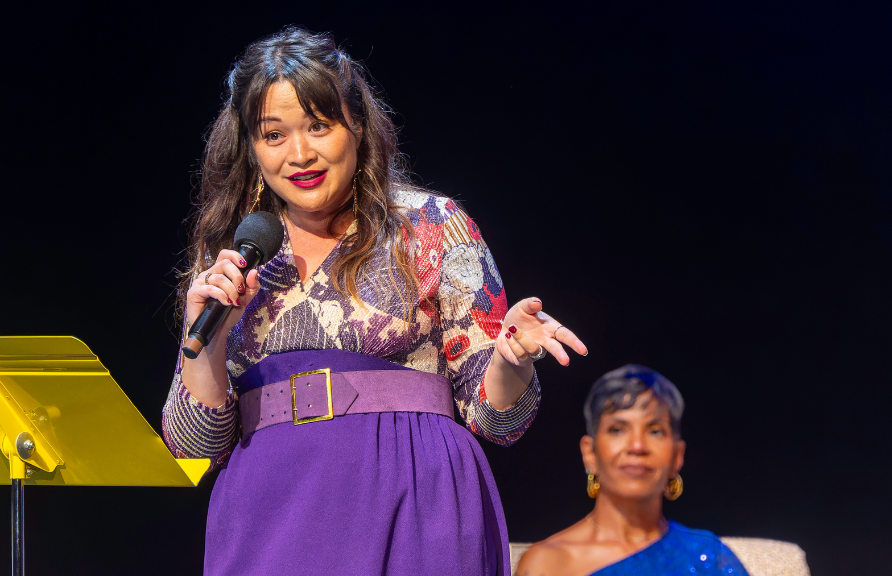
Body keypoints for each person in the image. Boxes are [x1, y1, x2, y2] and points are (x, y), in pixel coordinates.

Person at [160, 26, 587, 576]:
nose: (300, 153)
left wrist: (511, 358)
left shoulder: (431, 226)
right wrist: (209, 338)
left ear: (356, 125)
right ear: (250, 147)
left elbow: (497, 420)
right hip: (270, 514)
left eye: (319, 125)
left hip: (414, 500)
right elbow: (193, 442)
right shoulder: (233, 255)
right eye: (274, 135)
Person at [515, 365, 750, 576]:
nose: (637, 446)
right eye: (618, 430)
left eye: (655, 431)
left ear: (677, 456)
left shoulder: (709, 558)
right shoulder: (547, 564)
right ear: (590, 453)